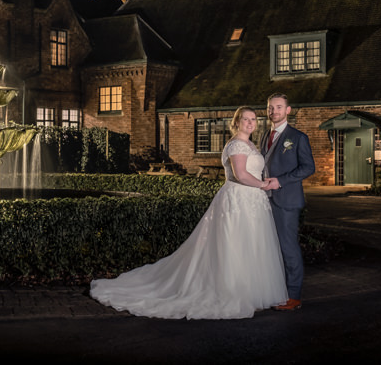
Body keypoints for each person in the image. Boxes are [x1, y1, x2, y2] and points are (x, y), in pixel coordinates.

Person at [89, 106, 287, 320]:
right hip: (239, 199)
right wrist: (264, 185)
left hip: (253, 201)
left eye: (253, 119)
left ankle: (251, 291)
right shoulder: (237, 144)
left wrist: (261, 185)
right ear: (236, 122)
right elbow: (240, 175)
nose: (250, 123)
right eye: (245, 119)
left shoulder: (250, 144)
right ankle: (233, 291)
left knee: (251, 244)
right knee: (236, 244)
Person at [262, 92, 316, 311]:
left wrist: (280, 182)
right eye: (270, 107)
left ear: (288, 110)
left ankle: (293, 297)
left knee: (288, 248)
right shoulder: (265, 135)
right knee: (270, 248)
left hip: (286, 201)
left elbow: (308, 167)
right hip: (265, 200)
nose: (273, 111)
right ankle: (275, 292)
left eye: (278, 107)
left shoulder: (298, 137)